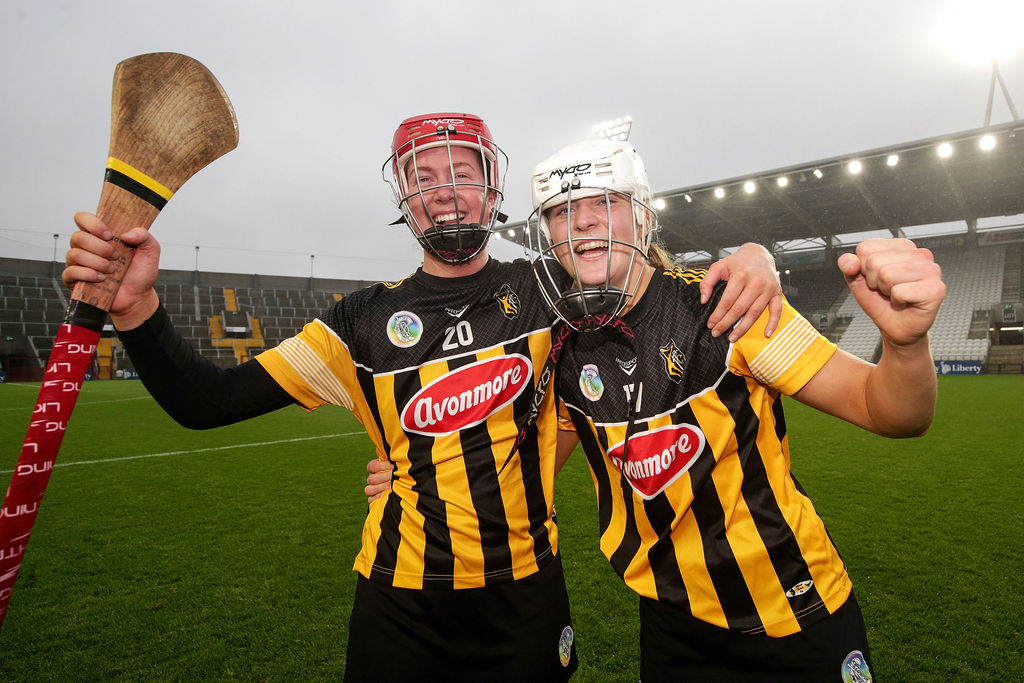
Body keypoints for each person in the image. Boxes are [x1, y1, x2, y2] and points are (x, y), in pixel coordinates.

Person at [63, 115, 782, 681]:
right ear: (404, 196)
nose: (444, 188)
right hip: (399, 602)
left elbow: (646, 281)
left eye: (462, 172)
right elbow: (207, 400)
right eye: (425, 175)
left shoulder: (550, 293)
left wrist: (756, 256)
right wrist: (137, 308)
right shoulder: (356, 324)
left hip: (526, 597)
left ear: (491, 190)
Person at [368, 138, 946, 681]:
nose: (584, 220)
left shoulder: (729, 309)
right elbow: (520, 470)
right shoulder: (563, 344)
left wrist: (905, 344)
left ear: (643, 216)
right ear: (548, 233)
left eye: (605, 202)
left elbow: (892, 412)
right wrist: (418, 474)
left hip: (796, 612)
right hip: (670, 627)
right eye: (561, 211)